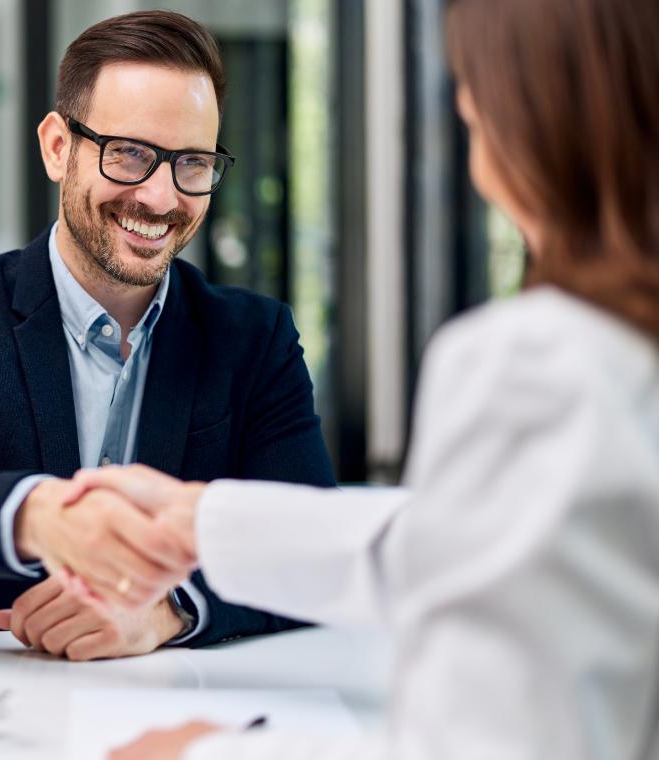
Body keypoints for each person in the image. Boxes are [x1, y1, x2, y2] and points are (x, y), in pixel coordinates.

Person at [76, 0, 659, 755]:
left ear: (532, 116)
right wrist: (200, 521)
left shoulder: (537, 364)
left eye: (472, 85)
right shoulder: (618, 354)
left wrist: (207, 751)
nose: (462, 105)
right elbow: (470, 550)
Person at [0, 10, 335, 660]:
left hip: (177, 716)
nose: (161, 196)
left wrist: (173, 610)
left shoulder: (252, 338)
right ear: (57, 147)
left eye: (193, 163)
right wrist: (40, 517)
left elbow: (312, 546)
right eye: (129, 154)